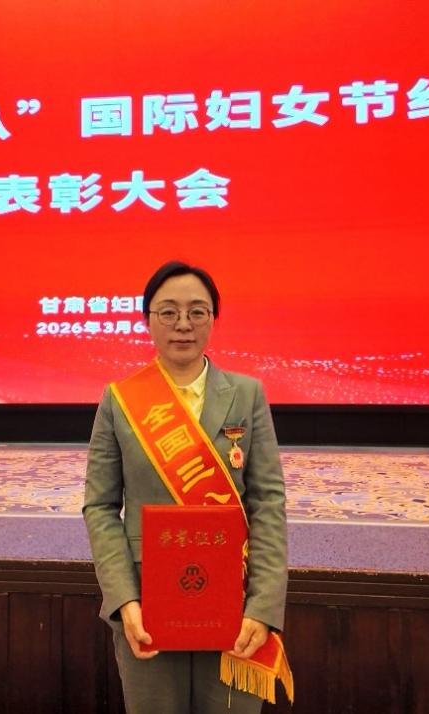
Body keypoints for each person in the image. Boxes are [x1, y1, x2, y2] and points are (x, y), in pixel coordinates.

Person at [83, 261, 289, 714]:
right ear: (147, 319)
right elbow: (99, 507)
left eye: (197, 311)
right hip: (148, 606)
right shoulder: (120, 400)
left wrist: (263, 606)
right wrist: (124, 600)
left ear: (213, 319)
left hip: (236, 603)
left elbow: (268, 503)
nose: (183, 324)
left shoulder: (247, 394)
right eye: (168, 312)